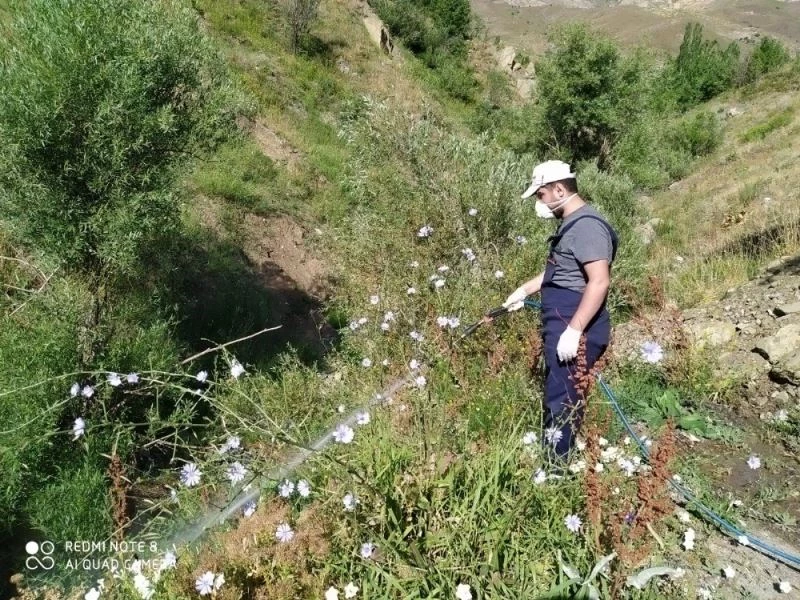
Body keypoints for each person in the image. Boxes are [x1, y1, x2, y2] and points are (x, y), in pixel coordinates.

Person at [503, 160, 618, 460]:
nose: (539, 203)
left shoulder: (588, 226)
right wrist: (523, 291)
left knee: (563, 397)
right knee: (559, 390)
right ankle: (554, 454)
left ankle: (555, 467)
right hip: (563, 316)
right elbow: (561, 272)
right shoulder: (570, 224)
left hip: (574, 319)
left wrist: (575, 330)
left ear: (559, 189)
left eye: (540, 195)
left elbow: (599, 282)